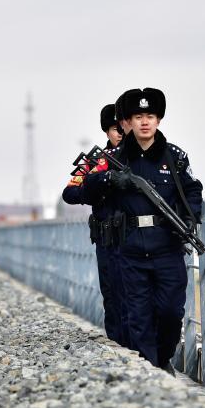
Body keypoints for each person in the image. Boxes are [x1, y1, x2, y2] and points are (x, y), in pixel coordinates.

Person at [82, 87, 203, 375]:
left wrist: (189, 219)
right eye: (138, 117)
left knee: (171, 311)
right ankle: (152, 371)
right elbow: (84, 189)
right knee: (138, 315)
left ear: (158, 119)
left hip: (167, 245)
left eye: (150, 116)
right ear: (129, 122)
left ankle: (162, 358)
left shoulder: (175, 157)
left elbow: (193, 190)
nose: (145, 122)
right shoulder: (114, 157)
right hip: (130, 248)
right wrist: (110, 179)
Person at [62, 104, 128, 347]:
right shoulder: (96, 161)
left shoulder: (137, 157)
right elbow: (69, 193)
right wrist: (97, 186)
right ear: (106, 131)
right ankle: (118, 345)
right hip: (106, 238)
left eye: (123, 127)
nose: (120, 133)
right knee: (111, 293)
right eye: (115, 129)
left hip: (133, 236)